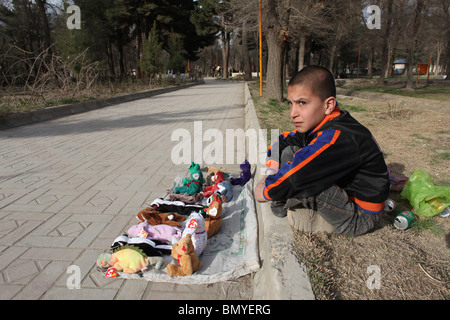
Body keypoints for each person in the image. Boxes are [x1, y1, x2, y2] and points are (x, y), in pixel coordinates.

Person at [254, 66, 390, 237]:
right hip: (346, 194)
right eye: (291, 103)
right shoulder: (321, 125)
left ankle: (281, 202)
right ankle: (283, 200)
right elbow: (280, 140)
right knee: (291, 152)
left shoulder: (337, 137)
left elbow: (299, 175)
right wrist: (271, 171)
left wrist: (266, 189)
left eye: (302, 103)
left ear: (328, 105)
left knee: (304, 178)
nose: (293, 113)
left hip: (359, 215)